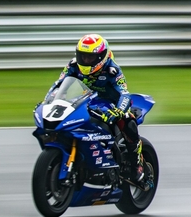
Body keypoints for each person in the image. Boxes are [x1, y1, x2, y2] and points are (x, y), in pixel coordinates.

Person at [43, 34, 145, 184]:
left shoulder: (112, 70)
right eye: (83, 56)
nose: (86, 60)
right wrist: (49, 100)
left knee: (128, 121)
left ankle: (137, 164)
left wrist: (119, 111)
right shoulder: (72, 65)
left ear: (101, 57)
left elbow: (124, 94)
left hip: (110, 104)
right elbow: (58, 85)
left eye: (90, 57)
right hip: (85, 100)